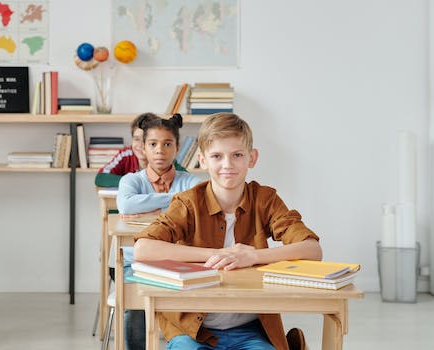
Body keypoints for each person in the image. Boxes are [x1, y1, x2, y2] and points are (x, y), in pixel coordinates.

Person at [133, 113, 320, 350]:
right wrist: (219, 253)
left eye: (237, 155)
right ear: (202, 160)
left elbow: (312, 249)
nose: (227, 165)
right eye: (217, 156)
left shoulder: (265, 199)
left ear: (252, 158)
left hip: (251, 328)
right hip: (193, 330)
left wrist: (252, 256)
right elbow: (143, 249)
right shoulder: (188, 202)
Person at [116, 113, 202, 350]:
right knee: (136, 308)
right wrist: (175, 200)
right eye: (153, 144)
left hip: (180, 259)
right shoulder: (131, 181)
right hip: (137, 261)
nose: (160, 150)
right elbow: (126, 204)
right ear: (143, 148)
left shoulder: (191, 181)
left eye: (167, 144)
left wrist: (148, 205)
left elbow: (197, 207)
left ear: (177, 148)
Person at [95, 113, 185, 188]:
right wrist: (134, 183)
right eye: (136, 139)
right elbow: (100, 178)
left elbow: (186, 178)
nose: (141, 145)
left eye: (150, 142)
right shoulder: (126, 155)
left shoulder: (165, 159)